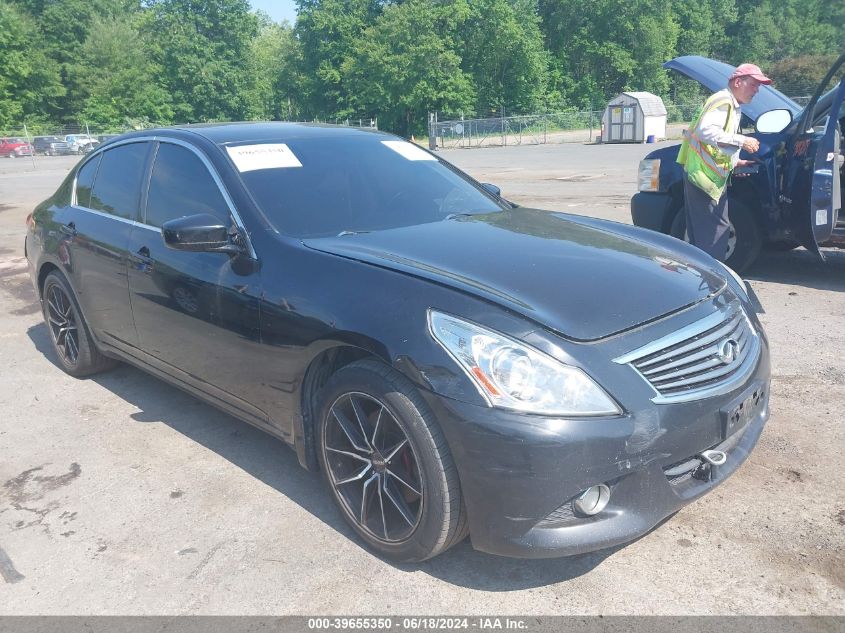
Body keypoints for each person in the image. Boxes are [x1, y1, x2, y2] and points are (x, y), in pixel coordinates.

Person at [677, 62, 772, 261]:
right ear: (738, 82)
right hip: (704, 176)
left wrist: (735, 162)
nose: (757, 90)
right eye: (754, 84)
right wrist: (743, 140)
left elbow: (717, 141)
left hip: (703, 174)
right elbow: (706, 131)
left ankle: (700, 275)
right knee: (715, 231)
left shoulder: (730, 104)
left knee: (703, 231)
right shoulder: (724, 101)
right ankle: (713, 278)